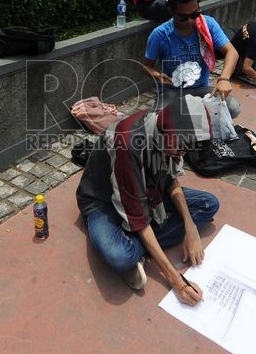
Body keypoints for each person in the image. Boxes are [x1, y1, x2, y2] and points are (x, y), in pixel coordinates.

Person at [76, 94, 218, 304]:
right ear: (169, 130)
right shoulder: (127, 143)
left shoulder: (168, 131)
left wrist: (191, 228)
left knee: (208, 204)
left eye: (188, 147)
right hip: (103, 201)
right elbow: (139, 220)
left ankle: (138, 246)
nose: (182, 152)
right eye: (181, 146)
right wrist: (177, 280)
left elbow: (171, 180)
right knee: (120, 256)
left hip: (147, 192)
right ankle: (134, 246)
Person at [142, 0, 240, 117]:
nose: (190, 21)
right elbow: (146, 66)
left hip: (202, 88)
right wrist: (157, 75)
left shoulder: (208, 25)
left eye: (195, 14)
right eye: (183, 17)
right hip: (173, 91)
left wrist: (224, 79)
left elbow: (232, 52)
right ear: (171, 11)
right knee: (157, 120)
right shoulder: (160, 34)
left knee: (233, 108)